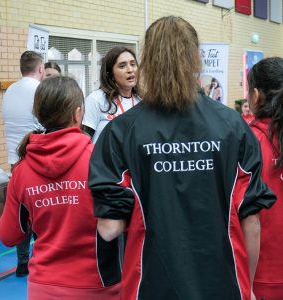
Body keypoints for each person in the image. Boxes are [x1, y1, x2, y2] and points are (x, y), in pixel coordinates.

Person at [88, 16, 276, 300]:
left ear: (147, 60)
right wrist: (246, 287)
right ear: (195, 60)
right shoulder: (233, 125)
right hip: (223, 283)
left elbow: (110, 228)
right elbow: (251, 220)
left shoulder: (121, 132)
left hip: (150, 283)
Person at [0, 76, 121, 300]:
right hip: (98, 286)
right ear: (77, 114)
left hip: (44, 287)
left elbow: (8, 236)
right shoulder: (100, 162)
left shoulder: (22, 170)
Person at [2, 50, 45, 277]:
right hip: (36, 158)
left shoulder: (10, 90)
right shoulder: (38, 90)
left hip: (14, 162)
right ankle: (43, 257)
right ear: (40, 69)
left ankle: (22, 262)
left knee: (22, 212)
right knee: (41, 209)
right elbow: (45, 122)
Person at [247, 57, 283, 300]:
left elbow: (249, 219)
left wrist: (245, 282)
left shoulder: (248, 141)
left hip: (262, 273)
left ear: (256, 95)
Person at [82, 46, 141, 143]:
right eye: (122, 66)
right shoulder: (96, 99)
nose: (130, 70)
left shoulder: (141, 101)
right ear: (110, 74)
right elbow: (84, 142)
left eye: (133, 64)